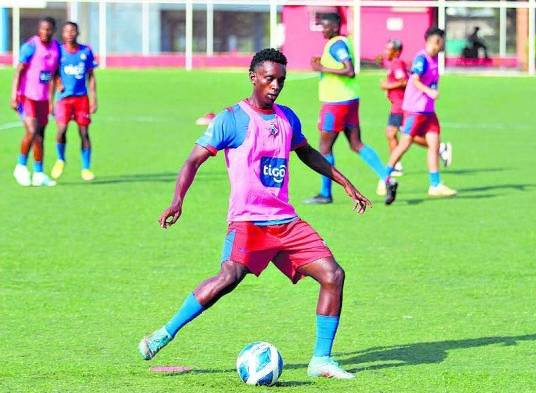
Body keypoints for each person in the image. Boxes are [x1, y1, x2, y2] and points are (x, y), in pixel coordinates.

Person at [138, 48, 372, 380]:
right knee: (228, 278)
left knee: (333, 275)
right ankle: (164, 333)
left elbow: (307, 153)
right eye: (269, 78)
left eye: (281, 80)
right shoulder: (232, 119)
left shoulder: (287, 117)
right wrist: (178, 200)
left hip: (286, 222)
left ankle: (322, 360)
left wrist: (345, 183)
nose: (276, 85)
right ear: (253, 77)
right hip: (248, 221)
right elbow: (193, 160)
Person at [304, 13, 396, 205]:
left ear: (336, 26)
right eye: (322, 27)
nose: (324, 30)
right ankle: (387, 178)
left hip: (336, 104)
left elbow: (349, 70)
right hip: (350, 101)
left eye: (326, 26)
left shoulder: (337, 44)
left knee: (324, 148)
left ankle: (325, 193)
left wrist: (321, 68)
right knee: (356, 144)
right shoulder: (342, 42)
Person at [384, 27, 457, 198]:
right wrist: (429, 92)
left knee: (434, 146)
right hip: (415, 111)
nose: (441, 45)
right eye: (441, 42)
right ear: (435, 42)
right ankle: (384, 177)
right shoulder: (421, 58)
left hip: (429, 112)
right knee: (404, 144)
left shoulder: (434, 60)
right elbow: (414, 79)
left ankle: (435, 184)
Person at [11, 16, 60, 187]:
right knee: (31, 131)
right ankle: (21, 166)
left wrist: (52, 101)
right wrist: (13, 95)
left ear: (53, 30)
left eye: (48, 29)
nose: (45, 32)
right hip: (27, 96)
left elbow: (54, 75)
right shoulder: (30, 46)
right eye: (42, 29)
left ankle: (38, 174)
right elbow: (19, 71)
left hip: (42, 99)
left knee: (40, 137)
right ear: (38, 29)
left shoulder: (56, 48)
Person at [50, 21, 98, 182]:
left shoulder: (86, 51)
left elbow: (91, 76)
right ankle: (60, 159)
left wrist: (93, 98)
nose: (70, 34)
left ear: (77, 33)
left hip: (81, 98)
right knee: (61, 130)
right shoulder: (58, 51)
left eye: (73, 31)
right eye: (66, 31)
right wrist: (57, 85)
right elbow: (53, 74)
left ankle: (86, 168)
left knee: (84, 132)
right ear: (62, 34)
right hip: (63, 99)